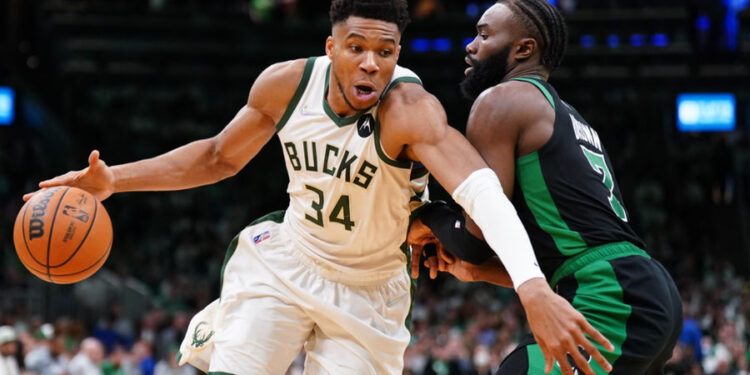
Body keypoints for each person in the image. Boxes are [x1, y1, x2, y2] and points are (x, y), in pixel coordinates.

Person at [25, 1, 612, 373]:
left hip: (371, 290)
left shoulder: (411, 110)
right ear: (331, 46)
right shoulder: (286, 85)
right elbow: (215, 158)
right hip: (287, 261)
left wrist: (531, 288)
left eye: (384, 52)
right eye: (355, 48)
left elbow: (482, 192)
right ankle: (226, 323)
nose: (369, 65)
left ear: (398, 55)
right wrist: (112, 182)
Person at [408, 1, 683, 374]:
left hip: (610, 295)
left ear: (524, 49)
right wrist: (479, 272)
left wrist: (428, 215)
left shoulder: (501, 101)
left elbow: (474, 240)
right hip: (640, 288)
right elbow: (567, 258)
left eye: (485, 34)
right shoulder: (569, 116)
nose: (471, 45)